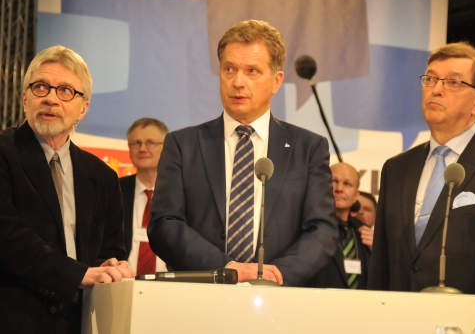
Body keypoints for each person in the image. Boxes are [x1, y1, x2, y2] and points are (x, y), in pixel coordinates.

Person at [148, 19, 338, 286]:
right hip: (200, 296)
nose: (238, 82)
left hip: (280, 300)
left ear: (276, 81)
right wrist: (226, 268)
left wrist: (275, 275)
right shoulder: (183, 145)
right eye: (229, 69)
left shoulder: (308, 148)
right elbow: (164, 225)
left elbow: (323, 230)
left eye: (252, 71)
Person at [0, 45, 135, 333]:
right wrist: (79, 274)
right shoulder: (3, 152)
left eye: (65, 91)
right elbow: (7, 236)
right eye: (40, 87)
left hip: (81, 322)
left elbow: (110, 249)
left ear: (83, 108)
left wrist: (109, 266)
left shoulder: (103, 176)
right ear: (25, 99)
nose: (50, 98)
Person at [368, 41, 475, 295]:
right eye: (430, 79)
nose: (436, 90)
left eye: (453, 82)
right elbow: (381, 261)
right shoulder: (396, 168)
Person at [120, 118, 169, 274]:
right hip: (121, 286)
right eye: (136, 143)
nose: (142, 148)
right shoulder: (114, 190)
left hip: (172, 286)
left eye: (150, 142)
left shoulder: (182, 193)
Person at [312, 163, 372, 289]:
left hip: (361, 305)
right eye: (334, 181)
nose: (339, 188)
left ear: (356, 195)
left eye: (347, 184)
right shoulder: (309, 226)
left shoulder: (364, 232)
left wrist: (377, 250)